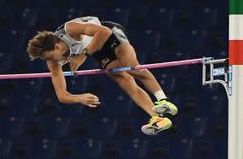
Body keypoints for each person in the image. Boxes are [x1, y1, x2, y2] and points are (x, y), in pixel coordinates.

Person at [26, 16, 178, 135]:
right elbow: (62, 95)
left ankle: (163, 100)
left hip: (109, 33)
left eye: (50, 56)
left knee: (131, 66)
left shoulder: (70, 29)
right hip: (97, 49)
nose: (51, 61)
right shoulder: (53, 63)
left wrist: (84, 54)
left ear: (57, 46)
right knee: (121, 78)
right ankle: (158, 118)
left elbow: (104, 32)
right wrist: (80, 98)